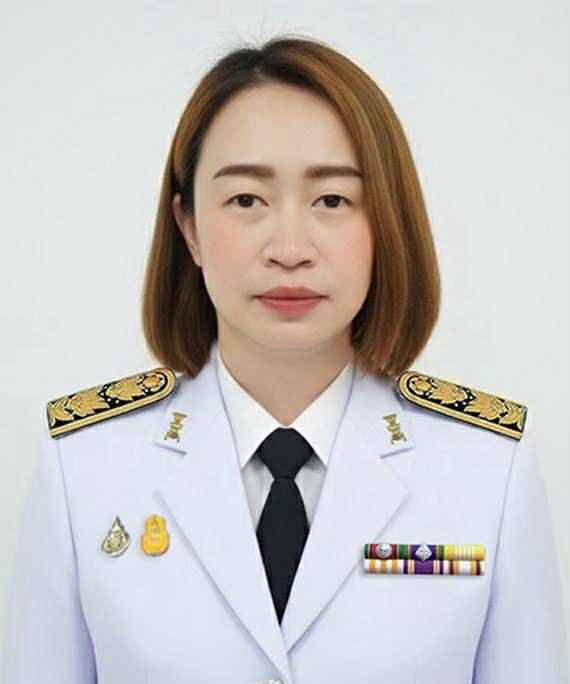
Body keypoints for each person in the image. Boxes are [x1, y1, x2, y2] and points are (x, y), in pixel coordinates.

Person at [3, 34, 568, 684]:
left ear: (384, 223)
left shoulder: (487, 470)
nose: (290, 248)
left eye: (333, 201)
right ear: (189, 226)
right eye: (246, 200)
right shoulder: (84, 467)